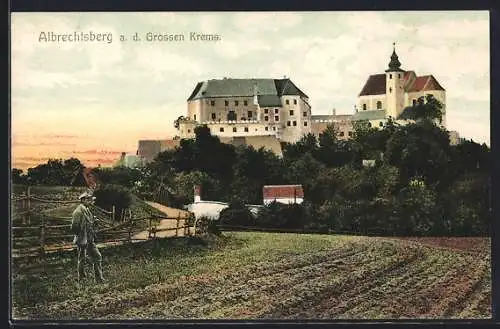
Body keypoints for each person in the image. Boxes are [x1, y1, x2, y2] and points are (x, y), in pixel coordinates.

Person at [71, 191, 105, 283]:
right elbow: (74, 227)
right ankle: (81, 278)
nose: (89, 201)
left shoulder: (87, 210)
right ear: (83, 200)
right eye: (88, 199)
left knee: (97, 257)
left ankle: (99, 279)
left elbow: (88, 223)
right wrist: (81, 235)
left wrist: (94, 222)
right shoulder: (78, 212)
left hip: (90, 239)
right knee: (82, 259)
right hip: (82, 239)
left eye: (90, 199)